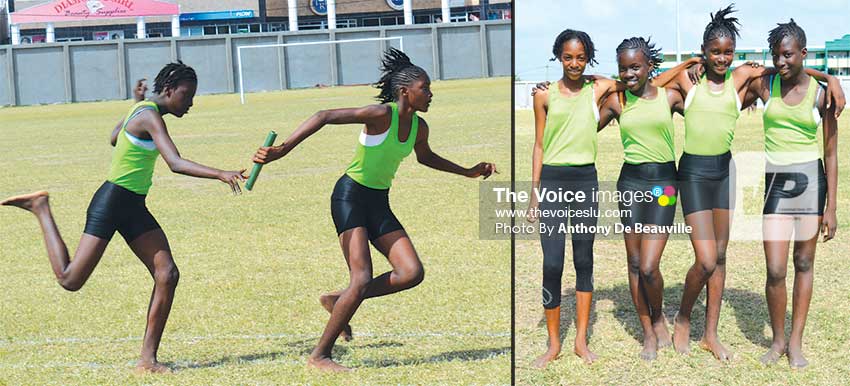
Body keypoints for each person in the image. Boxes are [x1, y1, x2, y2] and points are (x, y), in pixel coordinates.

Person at [251, 48, 497, 372]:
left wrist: (467, 171)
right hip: (349, 197)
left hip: (378, 201)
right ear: (405, 91)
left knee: (411, 272)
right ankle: (320, 355)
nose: (431, 94)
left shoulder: (420, 127)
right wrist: (282, 150)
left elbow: (426, 157)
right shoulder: (381, 115)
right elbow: (323, 115)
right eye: (426, 88)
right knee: (362, 277)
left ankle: (338, 301)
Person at [1, 61, 247, 373]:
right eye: (186, 95)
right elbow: (174, 162)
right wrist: (220, 173)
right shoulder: (150, 115)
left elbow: (115, 137)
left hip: (132, 205)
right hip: (113, 202)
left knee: (167, 273)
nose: (190, 103)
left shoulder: (142, 110)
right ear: (169, 91)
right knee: (70, 279)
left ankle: (147, 360)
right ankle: (41, 208)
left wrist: (134, 106)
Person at [743, 19, 838, 369]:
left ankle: (795, 342)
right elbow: (740, 73)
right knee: (775, 268)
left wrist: (832, 207)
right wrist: (830, 74)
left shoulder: (821, 94)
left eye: (788, 56)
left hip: (811, 182)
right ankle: (778, 339)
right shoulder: (765, 86)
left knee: (804, 263)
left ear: (803, 53)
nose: (781, 63)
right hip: (775, 186)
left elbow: (831, 153)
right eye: (776, 57)